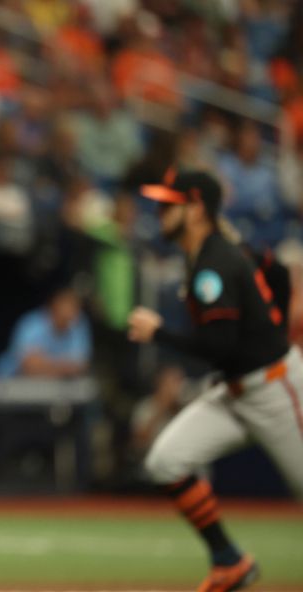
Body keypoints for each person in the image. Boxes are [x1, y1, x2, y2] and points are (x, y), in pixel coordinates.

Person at [127, 168, 303, 592]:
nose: (160, 211)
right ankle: (229, 560)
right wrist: (270, 319)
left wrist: (159, 333)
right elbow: (275, 272)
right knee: (166, 461)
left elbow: (219, 345)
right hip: (237, 390)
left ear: (195, 209)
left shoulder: (216, 260)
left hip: (277, 389)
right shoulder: (212, 251)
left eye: (169, 204)